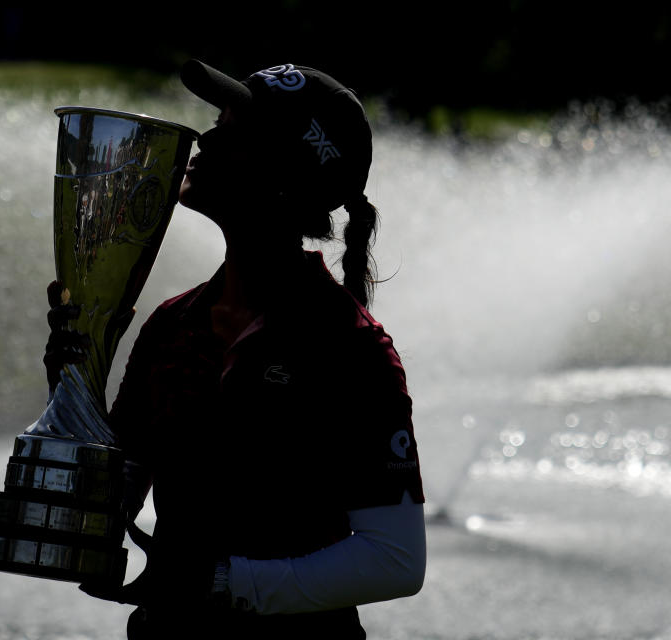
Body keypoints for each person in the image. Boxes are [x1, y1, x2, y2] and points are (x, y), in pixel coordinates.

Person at [46, 60, 426, 640]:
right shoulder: (173, 322)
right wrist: (74, 384)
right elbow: (111, 499)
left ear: (286, 175)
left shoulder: (350, 349)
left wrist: (219, 584)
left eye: (235, 129)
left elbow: (394, 560)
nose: (206, 137)